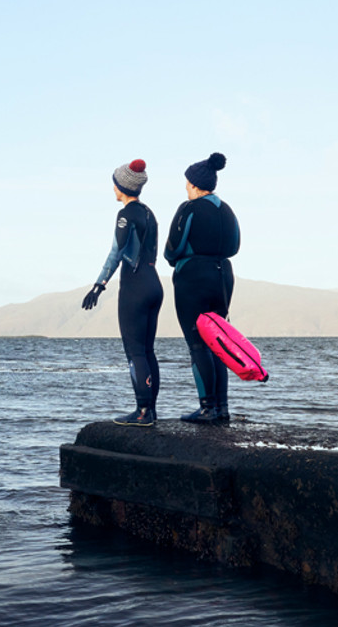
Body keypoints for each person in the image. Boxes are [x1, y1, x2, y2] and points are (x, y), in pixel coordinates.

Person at [81, 159, 162, 426]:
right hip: (155, 284)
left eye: (115, 184)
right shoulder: (150, 213)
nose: (113, 188)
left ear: (123, 187)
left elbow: (116, 253)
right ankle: (151, 409)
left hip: (135, 288)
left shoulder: (125, 215)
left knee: (135, 351)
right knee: (148, 351)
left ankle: (142, 412)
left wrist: (98, 285)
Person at [164, 151, 239, 424]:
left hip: (193, 277)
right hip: (223, 277)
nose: (185, 187)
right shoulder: (227, 209)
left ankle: (207, 407)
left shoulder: (189, 208)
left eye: (187, 183)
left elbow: (172, 249)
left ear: (195, 185)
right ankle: (222, 408)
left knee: (198, 344)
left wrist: (183, 260)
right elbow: (235, 246)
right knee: (218, 342)